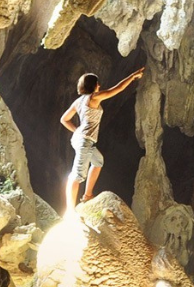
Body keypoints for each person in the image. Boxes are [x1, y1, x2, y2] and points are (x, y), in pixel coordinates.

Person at [60, 67, 144, 213]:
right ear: (93, 85)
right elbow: (117, 89)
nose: (99, 86)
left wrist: (77, 130)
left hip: (82, 139)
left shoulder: (78, 101)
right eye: (98, 84)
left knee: (98, 161)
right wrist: (132, 76)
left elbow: (64, 119)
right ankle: (69, 211)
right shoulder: (93, 98)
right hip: (84, 141)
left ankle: (87, 195)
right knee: (77, 175)